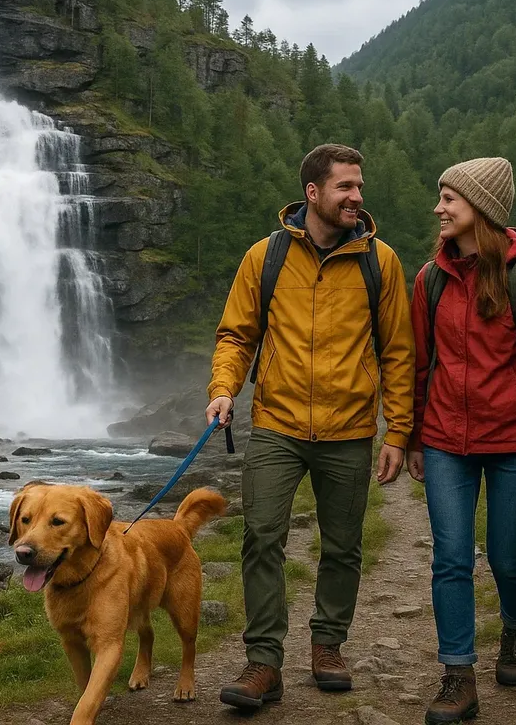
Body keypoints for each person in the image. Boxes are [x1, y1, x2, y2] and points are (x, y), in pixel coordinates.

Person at [205, 143, 416, 710]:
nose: (357, 197)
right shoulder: (265, 257)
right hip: (276, 423)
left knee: (343, 546)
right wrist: (224, 389)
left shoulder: (380, 261)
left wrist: (398, 431)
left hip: (349, 428)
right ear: (313, 193)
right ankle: (263, 664)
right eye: (346, 187)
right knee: (262, 537)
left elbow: (398, 350)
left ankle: (328, 646)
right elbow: (236, 335)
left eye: (360, 186)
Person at [405, 157, 516, 724]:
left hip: (514, 445)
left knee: (507, 559)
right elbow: (418, 368)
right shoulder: (430, 280)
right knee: (451, 559)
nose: (439, 208)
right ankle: (458, 676)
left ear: (481, 208)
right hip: (444, 444)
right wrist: (408, 437)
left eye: (450, 198)